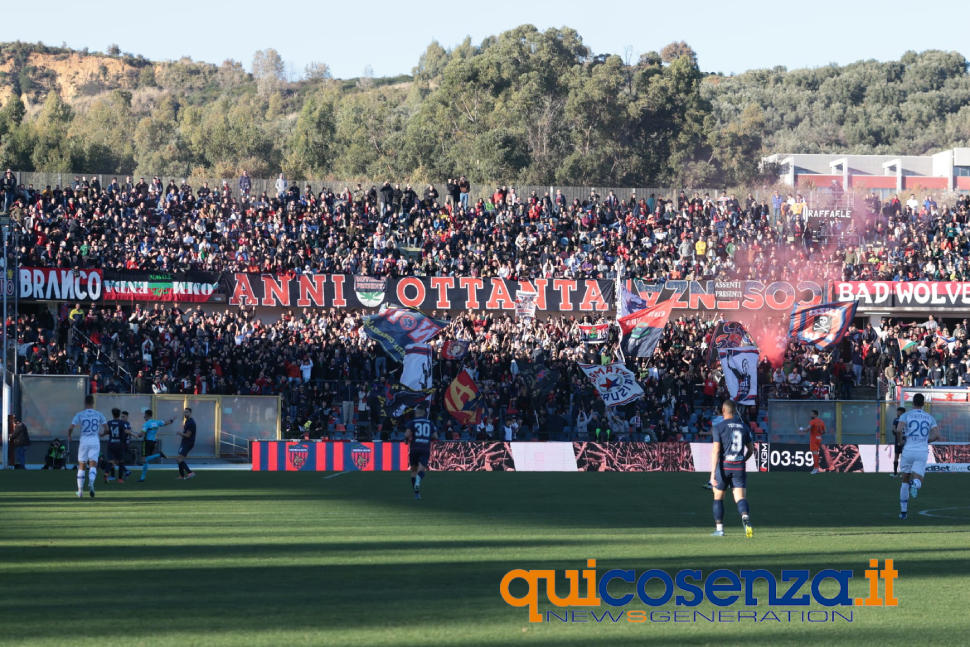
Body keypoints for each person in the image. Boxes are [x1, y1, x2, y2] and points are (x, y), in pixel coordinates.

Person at [709, 400, 754, 538]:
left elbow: (716, 451)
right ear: (734, 411)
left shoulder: (719, 427)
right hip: (739, 466)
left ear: (723, 410)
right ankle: (745, 516)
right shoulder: (744, 427)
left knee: (718, 496)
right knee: (740, 497)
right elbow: (751, 450)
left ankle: (720, 530)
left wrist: (712, 474)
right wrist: (742, 461)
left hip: (724, 466)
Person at [897, 393, 941, 520]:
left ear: (912, 403)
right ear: (923, 404)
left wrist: (900, 442)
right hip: (922, 451)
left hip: (908, 449)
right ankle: (914, 483)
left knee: (904, 481)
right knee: (918, 482)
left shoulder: (906, 415)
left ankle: (903, 513)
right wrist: (926, 441)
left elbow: (899, 430)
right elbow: (937, 435)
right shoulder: (929, 417)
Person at [67, 395, 109, 498]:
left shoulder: (80, 415)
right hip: (95, 441)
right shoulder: (99, 414)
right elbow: (107, 429)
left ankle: (80, 491)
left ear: (85, 402)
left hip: (84, 441)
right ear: (93, 403)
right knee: (93, 465)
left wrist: (69, 436)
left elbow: (71, 427)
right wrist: (103, 434)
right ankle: (91, 482)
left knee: (81, 465)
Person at [404, 405, 437, 500]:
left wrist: (406, 440)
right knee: (421, 470)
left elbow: (406, 434)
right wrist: (427, 437)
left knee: (413, 470)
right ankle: (419, 478)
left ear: (416, 413)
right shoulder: (430, 422)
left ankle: (416, 494)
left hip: (414, 447)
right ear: (424, 413)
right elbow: (435, 436)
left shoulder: (412, 422)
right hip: (425, 447)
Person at [137, 409, 175, 482]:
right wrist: (172, 420)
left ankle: (159, 454)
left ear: (147, 415)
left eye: (144, 415)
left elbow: (141, 434)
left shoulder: (146, 424)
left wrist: (138, 435)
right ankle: (142, 478)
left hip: (147, 442)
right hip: (153, 442)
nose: (143, 417)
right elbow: (166, 423)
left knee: (144, 460)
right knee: (146, 460)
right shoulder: (157, 422)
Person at [105, 408, 135, 484]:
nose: (123, 418)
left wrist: (101, 434)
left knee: (111, 461)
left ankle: (107, 474)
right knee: (120, 462)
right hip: (120, 445)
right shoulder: (122, 423)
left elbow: (107, 431)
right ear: (119, 414)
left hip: (111, 444)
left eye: (124, 416)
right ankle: (120, 478)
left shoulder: (110, 422)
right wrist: (135, 435)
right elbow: (126, 431)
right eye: (122, 416)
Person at [799, 410, 826, 475]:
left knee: (815, 454)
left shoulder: (812, 422)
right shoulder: (821, 422)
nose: (811, 415)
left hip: (813, 440)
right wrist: (818, 434)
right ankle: (816, 469)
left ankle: (816, 469)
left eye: (812, 414)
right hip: (819, 439)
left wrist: (802, 429)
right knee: (816, 454)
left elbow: (807, 430)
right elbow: (824, 431)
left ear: (816, 415)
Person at [174, 408, 197, 480]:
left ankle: (190, 472)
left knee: (178, 458)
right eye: (184, 412)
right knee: (179, 459)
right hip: (185, 442)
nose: (185, 414)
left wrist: (180, 433)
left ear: (190, 413)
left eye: (187, 412)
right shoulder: (187, 421)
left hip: (188, 443)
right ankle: (182, 476)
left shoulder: (191, 423)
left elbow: (188, 435)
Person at [891, 406, 906, 478]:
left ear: (902, 413)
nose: (897, 413)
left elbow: (893, 429)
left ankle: (897, 474)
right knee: (900, 456)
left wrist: (895, 431)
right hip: (903, 440)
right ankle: (898, 473)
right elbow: (893, 429)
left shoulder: (897, 420)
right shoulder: (906, 420)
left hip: (901, 440)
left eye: (898, 412)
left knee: (899, 456)